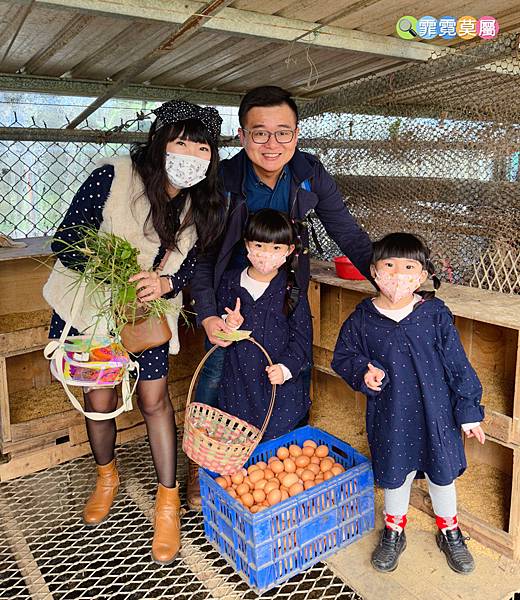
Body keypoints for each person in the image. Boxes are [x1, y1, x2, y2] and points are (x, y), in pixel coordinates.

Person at [43, 100, 224, 565]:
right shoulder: (114, 175)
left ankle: (167, 502)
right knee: (99, 399)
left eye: (201, 146)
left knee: (154, 399)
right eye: (181, 141)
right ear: (159, 141)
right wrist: (113, 274)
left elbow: (198, 261)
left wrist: (167, 282)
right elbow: (68, 238)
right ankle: (107, 477)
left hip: (147, 316)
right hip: (91, 310)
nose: (190, 153)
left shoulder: (199, 201)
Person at [187, 85, 373, 507]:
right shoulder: (223, 181)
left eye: (283, 132)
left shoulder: (309, 173)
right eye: (260, 133)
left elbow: (346, 232)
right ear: (241, 136)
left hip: (283, 292)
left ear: (297, 133)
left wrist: (386, 279)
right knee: (217, 373)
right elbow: (202, 255)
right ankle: (206, 467)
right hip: (230, 296)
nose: (272, 144)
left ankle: (280, 457)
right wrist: (208, 315)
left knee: (289, 369)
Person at [331, 232, 485, 575]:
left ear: (421, 274)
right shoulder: (362, 318)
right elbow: (343, 357)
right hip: (390, 413)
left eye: (408, 267)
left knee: (442, 475)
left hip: (437, 414)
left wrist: (470, 412)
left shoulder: (433, 314)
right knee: (394, 474)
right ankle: (394, 530)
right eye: (389, 265)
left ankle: (450, 531)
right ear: (373, 271)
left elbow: (457, 364)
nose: (398, 275)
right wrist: (362, 372)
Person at [215, 209, 312, 439]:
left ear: (288, 251)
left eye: (276, 248)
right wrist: (228, 323)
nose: (266, 254)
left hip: (279, 391)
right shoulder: (230, 282)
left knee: (277, 446)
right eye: (259, 246)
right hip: (238, 386)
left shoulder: (292, 290)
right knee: (239, 441)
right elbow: (219, 331)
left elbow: (302, 340)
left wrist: (286, 369)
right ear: (247, 245)